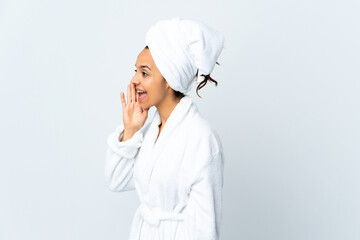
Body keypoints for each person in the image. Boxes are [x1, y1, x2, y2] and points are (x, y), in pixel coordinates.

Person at [104, 17, 225, 240]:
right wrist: (130, 131)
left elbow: (205, 229)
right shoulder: (151, 131)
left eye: (144, 73)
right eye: (135, 71)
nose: (134, 80)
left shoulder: (201, 138)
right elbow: (116, 180)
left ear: (169, 78)